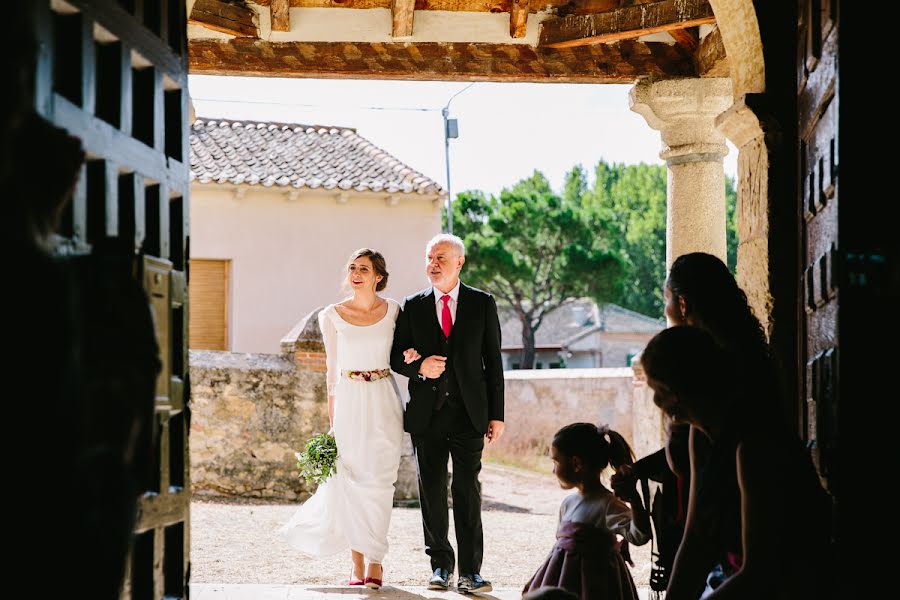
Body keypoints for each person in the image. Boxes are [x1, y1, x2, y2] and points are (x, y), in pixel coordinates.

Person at [613, 252, 780, 594]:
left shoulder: (741, 445)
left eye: (663, 392)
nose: (660, 403)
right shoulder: (749, 360)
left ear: (684, 303)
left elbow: (712, 537)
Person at [641, 327, 831, 599]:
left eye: (658, 389)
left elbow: (760, 572)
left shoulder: (755, 447)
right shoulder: (700, 436)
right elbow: (696, 536)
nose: (657, 401)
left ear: (680, 388)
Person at [280, 249, 413, 589]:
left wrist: (413, 356)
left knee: (381, 482)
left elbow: (405, 351)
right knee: (350, 479)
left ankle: (376, 560)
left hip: (384, 396)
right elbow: (330, 372)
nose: (355, 273)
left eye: (363, 269)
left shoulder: (395, 310)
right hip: (350, 398)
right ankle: (356, 564)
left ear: (378, 276)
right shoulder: (332, 315)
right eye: (352, 268)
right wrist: (333, 420)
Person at [389, 233, 505, 594]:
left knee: (467, 490)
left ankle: (471, 572)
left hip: (470, 414)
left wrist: (497, 414)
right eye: (429, 257)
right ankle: (440, 566)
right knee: (433, 493)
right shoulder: (413, 305)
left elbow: (493, 364)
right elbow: (395, 357)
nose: (433, 264)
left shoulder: (482, 303)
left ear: (459, 262)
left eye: (440, 257)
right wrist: (421, 366)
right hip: (428, 416)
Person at [524, 423, 650, 600]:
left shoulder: (607, 504)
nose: (553, 470)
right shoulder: (568, 503)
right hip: (563, 581)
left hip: (597, 587)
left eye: (556, 462)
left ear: (576, 463)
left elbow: (639, 536)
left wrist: (634, 501)